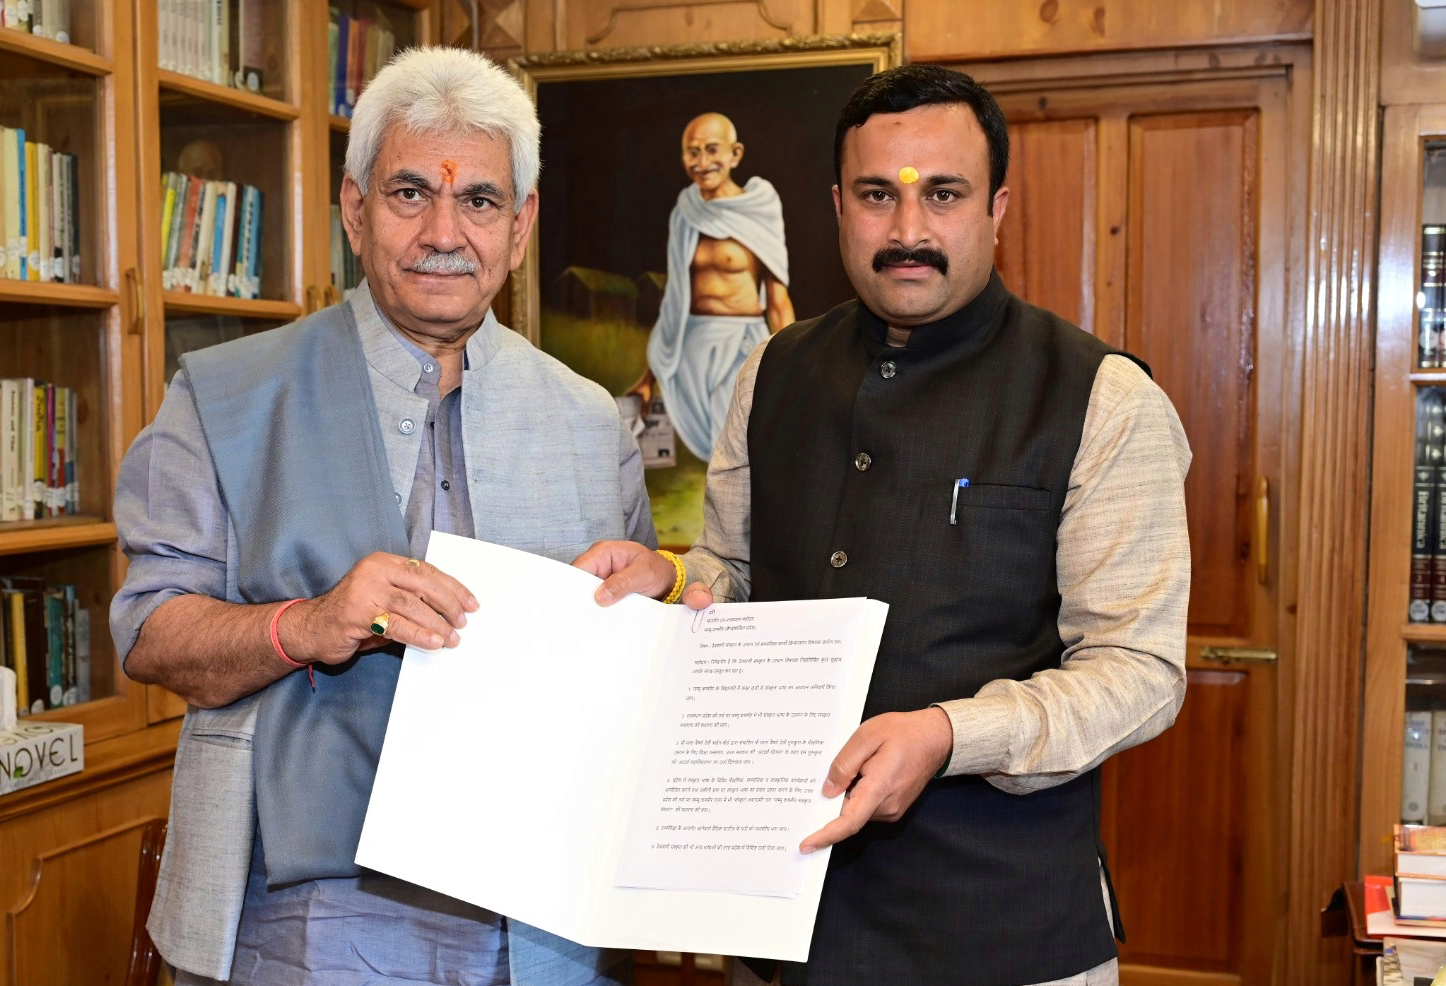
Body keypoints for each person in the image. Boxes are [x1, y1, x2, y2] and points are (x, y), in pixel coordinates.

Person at [577, 63, 1191, 986]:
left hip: (1004, 935)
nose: (909, 231)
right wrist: (672, 581)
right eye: (877, 196)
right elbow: (733, 569)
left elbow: (1140, 672)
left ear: (998, 207)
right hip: (782, 929)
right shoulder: (770, 373)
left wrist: (950, 734)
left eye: (944, 194)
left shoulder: (1103, 398)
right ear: (835, 206)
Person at [112, 46, 651, 986]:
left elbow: (635, 668)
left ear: (520, 227)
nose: (446, 231)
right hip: (304, 913)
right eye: (411, 194)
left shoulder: (587, 417)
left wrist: (655, 605)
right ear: (354, 211)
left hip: (539, 921)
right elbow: (150, 634)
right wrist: (309, 624)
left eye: (479, 201)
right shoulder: (227, 396)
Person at [628, 112, 794, 463]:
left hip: (742, 346)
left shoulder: (760, 207)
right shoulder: (685, 211)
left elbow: (778, 301)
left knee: (735, 455)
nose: (702, 162)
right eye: (692, 152)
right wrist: (649, 378)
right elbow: (674, 303)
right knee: (711, 459)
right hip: (691, 350)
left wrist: (796, 367)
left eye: (712, 150)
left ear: (735, 154)